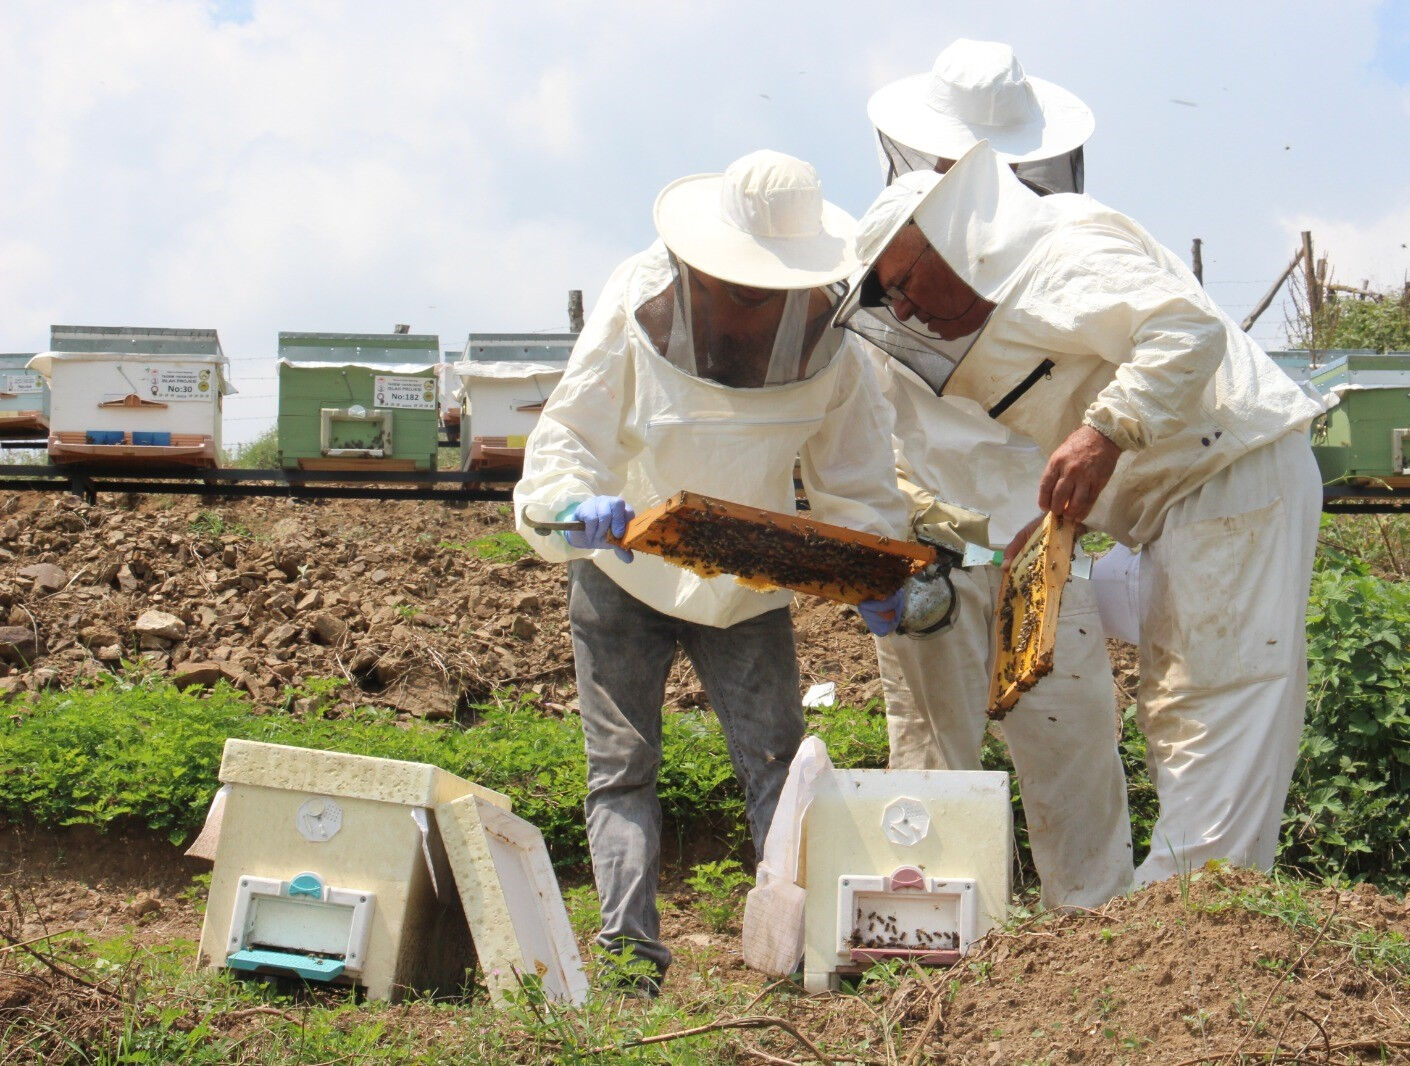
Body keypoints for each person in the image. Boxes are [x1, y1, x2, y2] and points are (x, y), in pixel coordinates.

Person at [838, 139, 1327, 891]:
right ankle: (1182, 931)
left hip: (1232, 482)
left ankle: (1193, 929)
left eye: (901, 283)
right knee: (1177, 709)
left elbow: (1186, 330)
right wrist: (1065, 523)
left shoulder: (1061, 249)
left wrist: (1103, 432)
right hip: (1187, 503)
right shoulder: (1019, 281)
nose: (902, 310)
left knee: (1217, 704)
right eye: (887, 300)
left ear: (947, 236)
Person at [514, 150, 909, 991]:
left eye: (778, 290)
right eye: (744, 288)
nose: (763, 306)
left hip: (745, 582)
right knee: (621, 768)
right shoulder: (634, 300)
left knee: (777, 762)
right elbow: (566, 440)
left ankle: (799, 955)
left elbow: (857, 480)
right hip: (623, 571)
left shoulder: (835, 343)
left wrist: (873, 564)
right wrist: (572, 503)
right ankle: (628, 962)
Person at [862, 39, 1134, 908]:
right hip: (932, 548)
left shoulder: (1058, 247)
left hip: (1045, 545)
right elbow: (862, 423)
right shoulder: (888, 252)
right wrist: (888, 537)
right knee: (931, 761)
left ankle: (1093, 948)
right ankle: (929, 936)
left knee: (1074, 749)